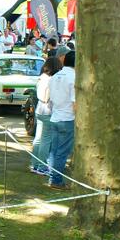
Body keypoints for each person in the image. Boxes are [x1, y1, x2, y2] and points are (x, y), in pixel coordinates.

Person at [47, 51, 76, 189]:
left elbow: (50, 98)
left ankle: (52, 177)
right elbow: (74, 102)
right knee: (62, 152)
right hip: (67, 118)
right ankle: (56, 180)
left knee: (54, 150)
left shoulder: (55, 76)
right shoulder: (74, 77)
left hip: (55, 116)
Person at [30, 57, 63, 175]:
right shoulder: (51, 79)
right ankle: (42, 166)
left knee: (38, 138)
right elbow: (48, 97)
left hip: (39, 109)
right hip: (48, 110)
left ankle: (34, 164)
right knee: (45, 140)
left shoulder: (41, 77)